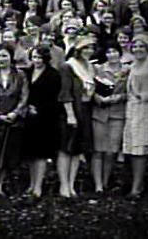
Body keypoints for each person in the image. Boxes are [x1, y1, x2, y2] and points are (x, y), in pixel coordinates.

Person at [122, 34, 148, 198]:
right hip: (132, 110)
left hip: (147, 109)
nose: (138, 50)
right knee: (132, 149)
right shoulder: (132, 66)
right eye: (135, 47)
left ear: (147, 49)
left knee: (141, 148)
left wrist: (145, 96)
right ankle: (134, 184)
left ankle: (136, 188)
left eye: (141, 47)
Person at [0, 43, 29, 200]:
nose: (1, 59)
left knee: (6, 155)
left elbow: (24, 97)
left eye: (4, 55)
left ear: (11, 57)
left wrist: (15, 113)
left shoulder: (20, 75)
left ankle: (0, 185)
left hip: (13, 119)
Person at [57, 35, 96, 198]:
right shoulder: (68, 66)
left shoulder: (89, 66)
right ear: (77, 49)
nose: (88, 51)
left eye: (91, 48)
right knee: (66, 149)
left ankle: (72, 184)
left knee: (77, 150)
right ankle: (63, 185)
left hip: (85, 110)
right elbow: (65, 93)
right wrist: (70, 115)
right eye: (85, 48)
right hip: (71, 111)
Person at [22, 45, 62, 198]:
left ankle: (38, 187)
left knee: (41, 154)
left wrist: (38, 109)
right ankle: (31, 184)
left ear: (45, 58)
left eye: (39, 58)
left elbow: (55, 99)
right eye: (34, 57)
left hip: (45, 119)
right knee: (31, 154)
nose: (36, 61)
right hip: (29, 119)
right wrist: (27, 108)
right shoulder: (27, 72)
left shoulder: (53, 75)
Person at [91, 41, 128, 194]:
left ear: (120, 53)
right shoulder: (97, 69)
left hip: (118, 113)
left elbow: (131, 91)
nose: (111, 55)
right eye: (108, 52)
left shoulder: (127, 70)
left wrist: (116, 98)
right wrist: (97, 97)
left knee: (111, 151)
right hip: (99, 113)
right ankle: (98, 185)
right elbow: (89, 88)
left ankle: (106, 182)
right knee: (98, 150)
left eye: (114, 51)